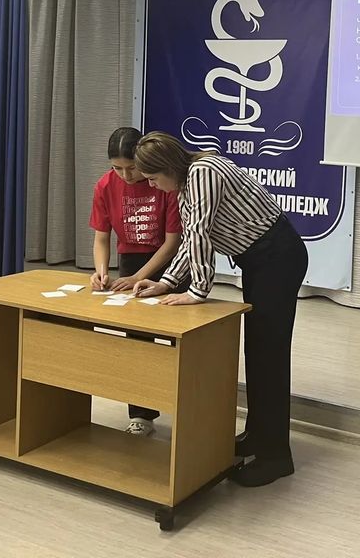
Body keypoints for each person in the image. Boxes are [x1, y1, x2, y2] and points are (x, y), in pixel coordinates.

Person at [133, 132, 308, 488]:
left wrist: (197, 291)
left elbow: (201, 233)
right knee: (257, 353)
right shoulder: (187, 184)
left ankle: (277, 457)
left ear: (168, 167)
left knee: (270, 356)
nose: (153, 186)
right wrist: (167, 282)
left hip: (277, 258)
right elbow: (190, 240)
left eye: (153, 178)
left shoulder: (203, 172)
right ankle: (259, 436)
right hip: (260, 262)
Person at [89, 127, 182, 437]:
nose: (126, 175)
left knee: (178, 336)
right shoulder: (105, 185)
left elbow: (172, 243)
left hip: (170, 264)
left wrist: (139, 277)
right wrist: (101, 271)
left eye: (132, 167)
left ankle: (185, 409)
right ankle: (141, 413)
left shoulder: (163, 182)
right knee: (137, 339)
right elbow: (102, 238)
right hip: (131, 260)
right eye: (117, 168)